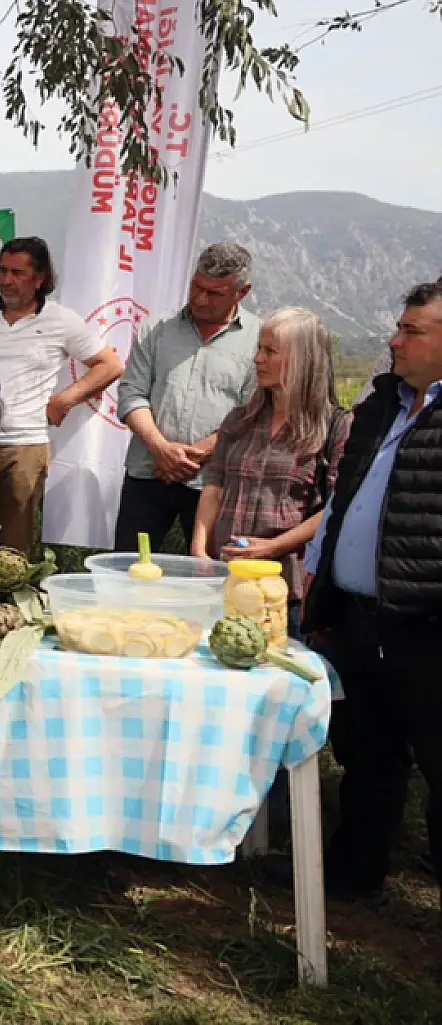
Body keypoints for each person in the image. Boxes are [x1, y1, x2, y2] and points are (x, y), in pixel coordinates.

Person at [301, 279, 442, 902]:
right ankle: (354, 881)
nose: (394, 340)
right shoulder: (385, 401)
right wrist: (318, 566)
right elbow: (345, 495)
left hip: (424, 624)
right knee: (368, 756)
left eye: (412, 330)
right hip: (359, 615)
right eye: (400, 326)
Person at [188, 308, 348, 635]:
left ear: (303, 360)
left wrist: (272, 548)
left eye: (270, 351)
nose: (258, 359)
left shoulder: (335, 427)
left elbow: (337, 508)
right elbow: (213, 489)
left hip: (286, 592)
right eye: (259, 349)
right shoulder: (239, 421)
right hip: (225, 582)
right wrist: (199, 552)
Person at [0, 237, 123, 556]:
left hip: (25, 446)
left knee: (15, 546)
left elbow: (110, 365)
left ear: (40, 279)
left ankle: (10, 604)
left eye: (17, 273)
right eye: (2, 271)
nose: (6, 281)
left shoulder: (61, 320)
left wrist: (65, 399)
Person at [113, 243, 261, 552]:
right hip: (148, 472)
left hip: (214, 482)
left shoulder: (260, 339)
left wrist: (195, 455)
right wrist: (161, 448)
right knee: (127, 567)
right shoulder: (158, 328)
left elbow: (254, 413)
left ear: (241, 292)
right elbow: (131, 392)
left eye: (215, 293)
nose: (200, 299)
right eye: (196, 287)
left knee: (208, 573)